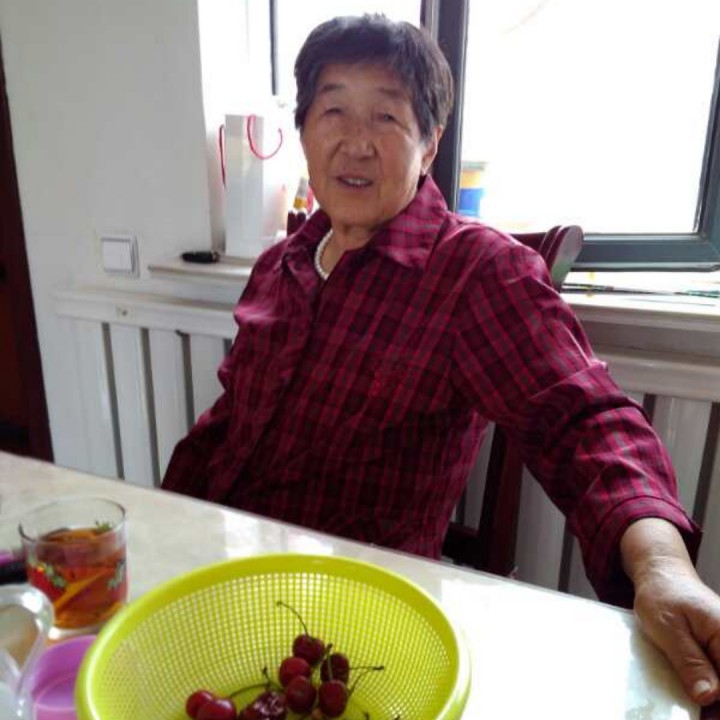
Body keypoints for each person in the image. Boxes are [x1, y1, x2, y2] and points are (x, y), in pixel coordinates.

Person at [163, 14, 720, 706]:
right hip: (229, 580)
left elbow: (582, 418)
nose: (356, 142)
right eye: (333, 111)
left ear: (429, 145)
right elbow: (232, 422)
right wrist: (166, 528)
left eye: (386, 117)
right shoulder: (282, 263)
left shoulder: (475, 273)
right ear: (303, 132)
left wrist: (661, 566)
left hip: (356, 625)